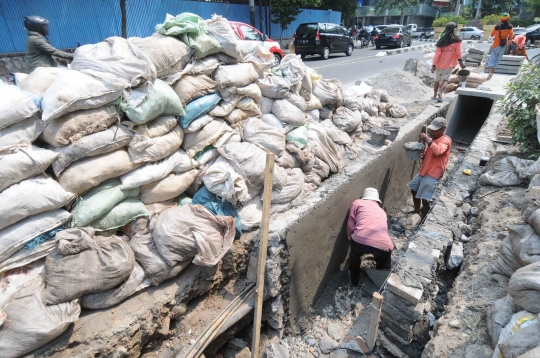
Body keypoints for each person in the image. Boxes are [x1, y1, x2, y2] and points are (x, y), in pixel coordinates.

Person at [346, 188, 394, 286]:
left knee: (355, 259)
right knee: (384, 262)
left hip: (360, 238)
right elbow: (385, 229)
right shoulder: (382, 211)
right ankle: (381, 282)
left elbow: (351, 224)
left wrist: (351, 237)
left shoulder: (357, 203)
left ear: (364, 198)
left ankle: (354, 280)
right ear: (377, 201)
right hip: (384, 244)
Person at [407, 117, 452, 219]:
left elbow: (438, 151)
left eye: (434, 130)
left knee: (426, 198)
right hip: (424, 171)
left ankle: (422, 219)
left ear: (442, 130)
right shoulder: (432, 139)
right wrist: (424, 155)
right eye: (430, 130)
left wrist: (427, 138)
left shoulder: (445, 140)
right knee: (414, 190)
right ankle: (417, 211)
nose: (431, 132)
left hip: (433, 174)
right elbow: (430, 153)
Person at [431, 22, 466, 103]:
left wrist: (433, 65)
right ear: (454, 30)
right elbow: (459, 52)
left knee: (437, 80)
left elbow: (437, 55)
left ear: (446, 30)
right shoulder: (457, 41)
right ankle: (440, 92)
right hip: (449, 65)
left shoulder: (441, 41)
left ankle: (434, 95)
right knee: (445, 80)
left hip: (439, 65)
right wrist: (461, 63)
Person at [486, 13, 514, 80]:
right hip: (503, 46)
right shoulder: (510, 27)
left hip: (495, 45)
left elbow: (492, 35)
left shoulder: (497, 27)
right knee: (497, 60)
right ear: (508, 19)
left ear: (501, 19)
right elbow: (511, 37)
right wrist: (507, 42)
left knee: (492, 59)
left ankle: (490, 72)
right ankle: (492, 74)